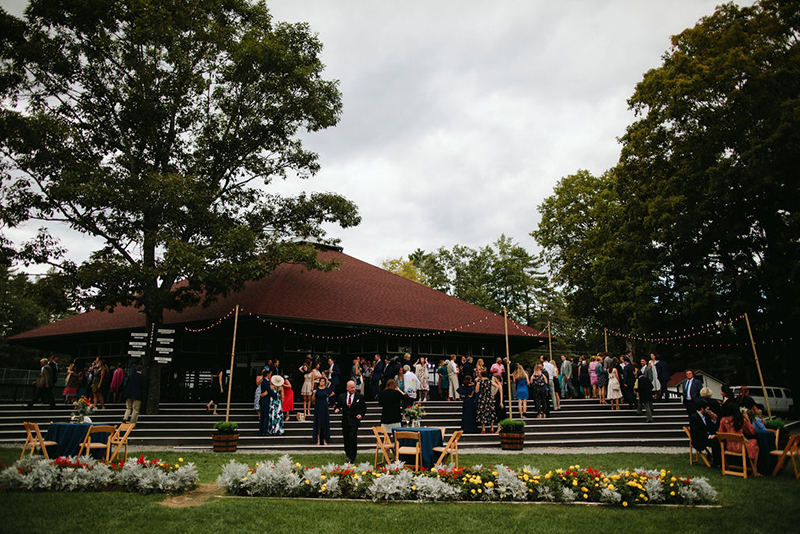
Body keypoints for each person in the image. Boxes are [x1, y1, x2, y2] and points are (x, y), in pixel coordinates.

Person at [718, 407, 760, 474]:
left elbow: (720, 433)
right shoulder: (741, 420)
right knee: (756, 446)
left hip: (728, 447)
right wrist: (747, 419)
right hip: (740, 447)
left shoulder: (723, 420)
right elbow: (752, 431)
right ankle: (754, 469)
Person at [334, 380, 367, 463]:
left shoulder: (359, 397)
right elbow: (338, 405)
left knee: (352, 437)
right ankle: (348, 453)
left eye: (354, 387)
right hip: (345, 421)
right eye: (351, 387)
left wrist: (360, 414)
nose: (353, 389)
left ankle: (352, 456)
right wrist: (337, 409)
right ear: (347, 388)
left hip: (354, 421)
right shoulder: (342, 396)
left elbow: (363, 408)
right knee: (346, 438)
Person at [689, 398, 721, 467]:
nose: (708, 411)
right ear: (702, 409)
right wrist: (709, 436)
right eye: (707, 409)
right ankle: (716, 463)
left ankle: (719, 461)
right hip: (699, 440)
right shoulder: (694, 417)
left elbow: (711, 428)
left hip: (707, 437)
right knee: (715, 442)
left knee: (719, 440)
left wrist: (714, 420)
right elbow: (696, 432)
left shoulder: (707, 417)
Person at [312, 376, 334, 445]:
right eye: (321, 381)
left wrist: (327, 396)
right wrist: (314, 393)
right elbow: (312, 400)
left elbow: (332, 393)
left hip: (324, 406)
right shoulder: (316, 389)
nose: (321, 382)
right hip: (318, 406)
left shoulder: (327, 389)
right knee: (318, 423)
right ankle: (318, 440)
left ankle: (325, 440)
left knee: (324, 423)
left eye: (323, 381)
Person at [475, 369, 497, 434]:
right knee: (490, 411)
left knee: (482, 412)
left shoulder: (480, 382)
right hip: (489, 397)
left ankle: (483, 428)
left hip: (482, 397)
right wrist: (493, 394)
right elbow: (497, 386)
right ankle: (492, 428)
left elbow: (476, 391)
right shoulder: (490, 381)